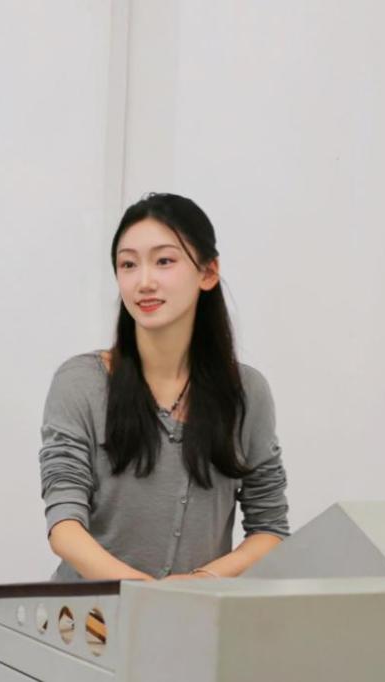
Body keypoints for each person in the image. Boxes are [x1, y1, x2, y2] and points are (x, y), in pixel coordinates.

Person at [39, 192, 289, 581]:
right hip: (91, 613)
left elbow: (269, 529)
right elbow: (64, 526)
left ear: (208, 272)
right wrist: (142, 594)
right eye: (128, 264)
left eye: (164, 261)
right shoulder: (80, 383)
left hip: (192, 612)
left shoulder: (247, 393)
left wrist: (201, 583)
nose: (144, 282)